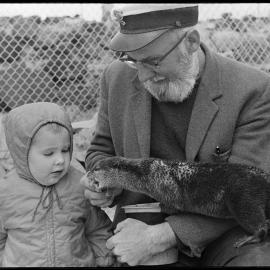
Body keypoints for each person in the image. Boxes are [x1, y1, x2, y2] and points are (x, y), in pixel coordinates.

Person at [80, 3, 270, 267]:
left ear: (191, 42)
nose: (144, 76)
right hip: (138, 227)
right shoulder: (116, 77)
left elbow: (251, 193)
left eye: (153, 61)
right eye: (133, 60)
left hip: (222, 232)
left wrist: (160, 237)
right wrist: (105, 185)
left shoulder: (252, 89)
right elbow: (100, 149)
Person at [0, 102, 115, 267]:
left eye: (65, 149)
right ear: (22, 153)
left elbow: (97, 230)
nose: (60, 160)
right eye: (49, 153)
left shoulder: (79, 185)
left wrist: (105, 260)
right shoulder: (6, 192)